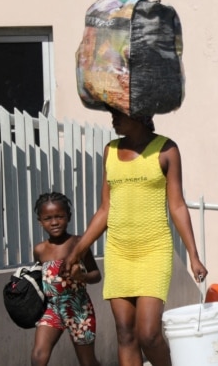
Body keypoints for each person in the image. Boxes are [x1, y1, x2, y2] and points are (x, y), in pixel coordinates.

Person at [62, 109, 208, 366]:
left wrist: (193, 256)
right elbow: (105, 209)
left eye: (120, 114)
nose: (113, 118)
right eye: (112, 113)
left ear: (139, 114)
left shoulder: (166, 149)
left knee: (149, 334)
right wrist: (78, 250)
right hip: (119, 251)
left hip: (154, 250)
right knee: (125, 333)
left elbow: (177, 205)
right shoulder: (110, 150)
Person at [31, 192, 102, 366]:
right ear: (40, 222)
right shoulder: (40, 250)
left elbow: (96, 275)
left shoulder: (78, 243)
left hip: (79, 308)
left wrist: (82, 276)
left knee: (87, 362)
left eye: (59, 216)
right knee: (39, 353)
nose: (54, 222)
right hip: (52, 308)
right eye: (48, 218)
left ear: (68, 217)